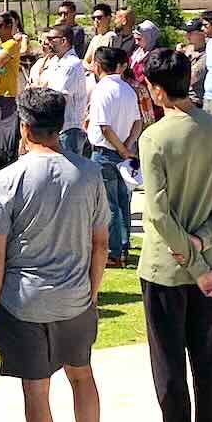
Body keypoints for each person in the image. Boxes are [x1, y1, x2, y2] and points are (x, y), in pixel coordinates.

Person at [0, 87, 118, 422]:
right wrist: (92, 291)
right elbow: (101, 243)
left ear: (24, 128)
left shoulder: (7, 179)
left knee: (36, 390)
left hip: (23, 301)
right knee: (83, 378)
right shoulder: (88, 173)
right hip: (76, 297)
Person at [135, 47, 212, 422]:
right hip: (206, 264)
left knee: (170, 368)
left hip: (166, 268)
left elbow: (157, 215)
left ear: (157, 89)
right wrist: (202, 245)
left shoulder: (156, 137)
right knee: (207, 365)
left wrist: (190, 258)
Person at [85, 46, 141, 267]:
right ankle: (123, 247)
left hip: (106, 152)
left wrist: (121, 148)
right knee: (122, 201)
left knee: (109, 205)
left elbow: (105, 127)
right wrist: (127, 147)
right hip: (122, 152)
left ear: (98, 66)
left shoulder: (102, 90)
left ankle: (115, 251)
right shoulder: (128, 89)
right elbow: (138, 122)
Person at [28, 24, 89, 156]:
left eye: (51, 39)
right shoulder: (55, 61)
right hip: (54, 128)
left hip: (68, 129)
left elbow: (56, 96)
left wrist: (37, 88)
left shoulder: (71, 64)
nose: (47, 42)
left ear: (64, 41)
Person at [83, 3, 120, 70]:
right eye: (93, 18)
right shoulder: (95, 38)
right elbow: (86, 60)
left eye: (99, 17)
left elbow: (109, 61)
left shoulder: (112, 36)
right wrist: (90, 67)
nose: (96, 20)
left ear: (108, 18)